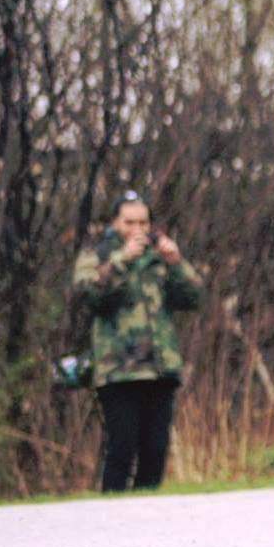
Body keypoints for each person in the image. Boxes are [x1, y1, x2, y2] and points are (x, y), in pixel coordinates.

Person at [72, 193, 204, 490]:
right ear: (114, 223)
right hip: (119, 369)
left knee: (155, 449)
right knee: (122, 448)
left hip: (160, 367)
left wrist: (176, 263)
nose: (138, 229)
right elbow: (88, 295)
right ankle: (113, 509)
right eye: (129, 222)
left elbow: (194, 298)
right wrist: (122, 260)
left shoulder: (158, 255)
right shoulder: (98, 253)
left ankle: (146, 511)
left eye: (143, 222)